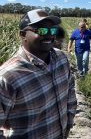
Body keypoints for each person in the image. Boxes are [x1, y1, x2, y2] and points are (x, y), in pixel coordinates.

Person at [0, 9, 77, 138]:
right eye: (41, 31)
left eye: (52, 30)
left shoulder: (62, 59)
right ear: (23, 34)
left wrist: (68, 122)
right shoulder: (8, 77)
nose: (49, 35)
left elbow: (70, 91)